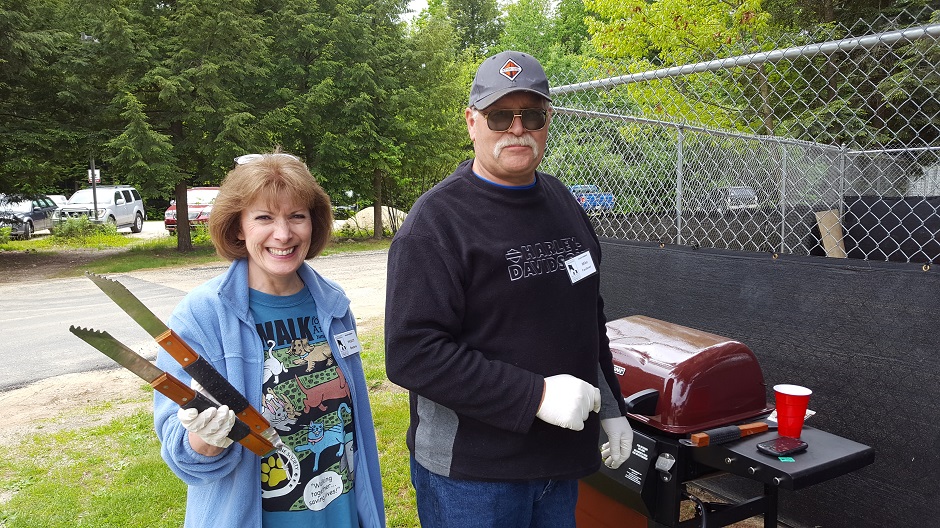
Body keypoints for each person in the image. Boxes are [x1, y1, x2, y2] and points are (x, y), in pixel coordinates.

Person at [384, 51, 634, 527]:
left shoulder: (563, 202)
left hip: (559, 463)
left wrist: (613, 406)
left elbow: (587, 318)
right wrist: (536, 396)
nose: (516, 129)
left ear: (547, 121)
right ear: (472, 122)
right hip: (474, 479)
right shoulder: (436, 223)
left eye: (532, 115)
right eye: (501, 115)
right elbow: (412, 353)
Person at [153, 151, 385, 528]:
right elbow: (183, 457)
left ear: (314, 223)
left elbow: (352, 430)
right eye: (264, 217)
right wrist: (205, 436)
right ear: (238, 227)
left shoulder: (333, 305)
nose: (283, 234)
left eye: (297, 216)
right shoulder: (202, 315)